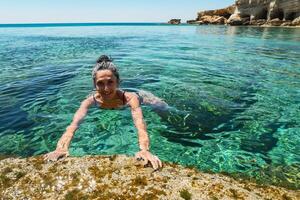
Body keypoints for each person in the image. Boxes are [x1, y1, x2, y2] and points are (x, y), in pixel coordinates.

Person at [44, 55, 163, 170]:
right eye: (100, 83)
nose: (106, 89)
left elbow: (140, 124)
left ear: (118, 82)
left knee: (163, 108)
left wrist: (144, 150)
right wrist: (61, 148)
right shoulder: (89, 102)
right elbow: (73, 126)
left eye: (110, 82)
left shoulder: (130, 98)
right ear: (94, 85)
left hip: (142, 98)